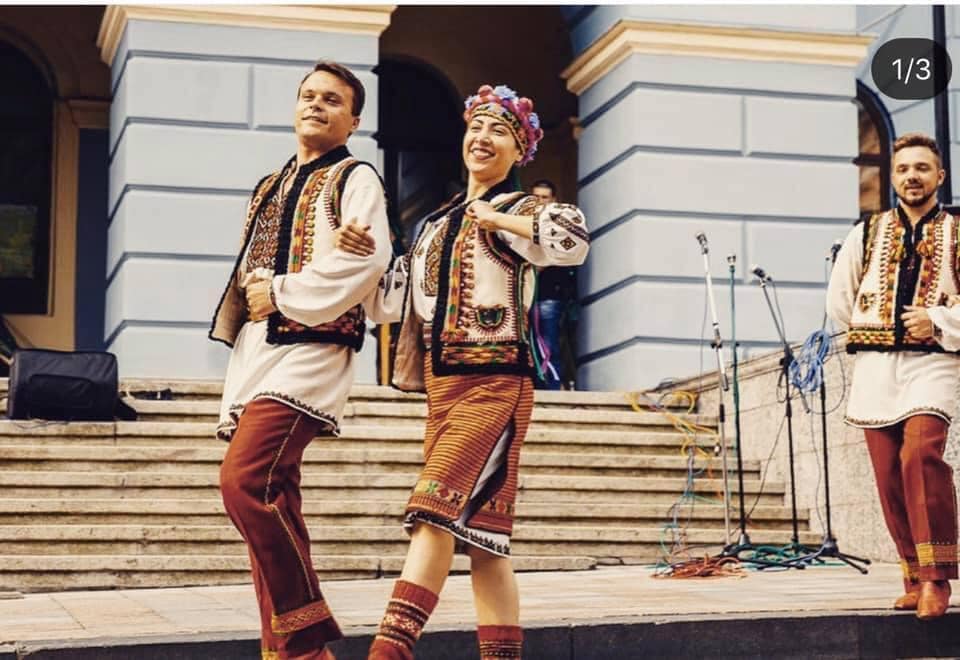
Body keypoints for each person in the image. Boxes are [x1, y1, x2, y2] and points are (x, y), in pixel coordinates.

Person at [336, 83, 590, 659]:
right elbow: (392, 302)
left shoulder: (521, 209)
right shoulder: (433, 224)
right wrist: (359, 254)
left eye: (499, 131)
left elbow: (572, 240)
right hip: (442, 387)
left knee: (431, 513)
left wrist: (500, 220)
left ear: (520, 150)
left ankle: (388, 652)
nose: (483, 137)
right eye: (476, 127)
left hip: (496, 383)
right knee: (484, 540)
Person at [209, 61, 393, 659]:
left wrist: (283, 291)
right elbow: (250, 277)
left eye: (332, 99)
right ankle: (290, 654)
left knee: (243, 481)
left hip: (312, 354)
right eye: (308, 95)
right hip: (259, 353)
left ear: (353, 120)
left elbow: (365, 262)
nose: (316, 105)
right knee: (277, 497)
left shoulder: (355, 178)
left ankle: (307, 633)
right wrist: (265, 293)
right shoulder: (268, 185)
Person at [827, 131, 960, 620]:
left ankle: (936, 578)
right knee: (888, 475)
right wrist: (875, 326)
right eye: (903, 169)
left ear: (939, 176)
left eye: (922, 168)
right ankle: (912, 573)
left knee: (920, 456)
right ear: (892, 178)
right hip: (876, 368)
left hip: (933, 362)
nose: (912, 177)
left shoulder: (958, 232)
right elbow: (840, 298)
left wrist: (938, 321)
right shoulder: (866, 233)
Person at [528, 179, 579, 390]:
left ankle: (551, 389)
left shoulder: (561, 225)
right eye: (536, 197)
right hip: (525, 297)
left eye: (545, 197)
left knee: (548, 344)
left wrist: (537, 265)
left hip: (549, 296)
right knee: (528, 346)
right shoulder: (522, 222)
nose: (540, 201)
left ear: (553, 200)